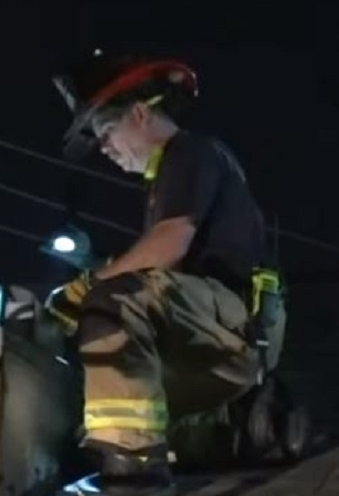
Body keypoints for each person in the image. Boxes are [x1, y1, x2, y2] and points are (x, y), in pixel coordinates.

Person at [47, 52, 284, 495]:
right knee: (98, 343)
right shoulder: (169, 177)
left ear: (139, 113)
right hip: (213, 333)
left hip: (236, 325)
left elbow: (169, 245)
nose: (105, 149)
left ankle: (132, 468)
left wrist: (87, 289)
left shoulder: (190, 153)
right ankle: (121, 446)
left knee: (113, 303)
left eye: (106, 132)